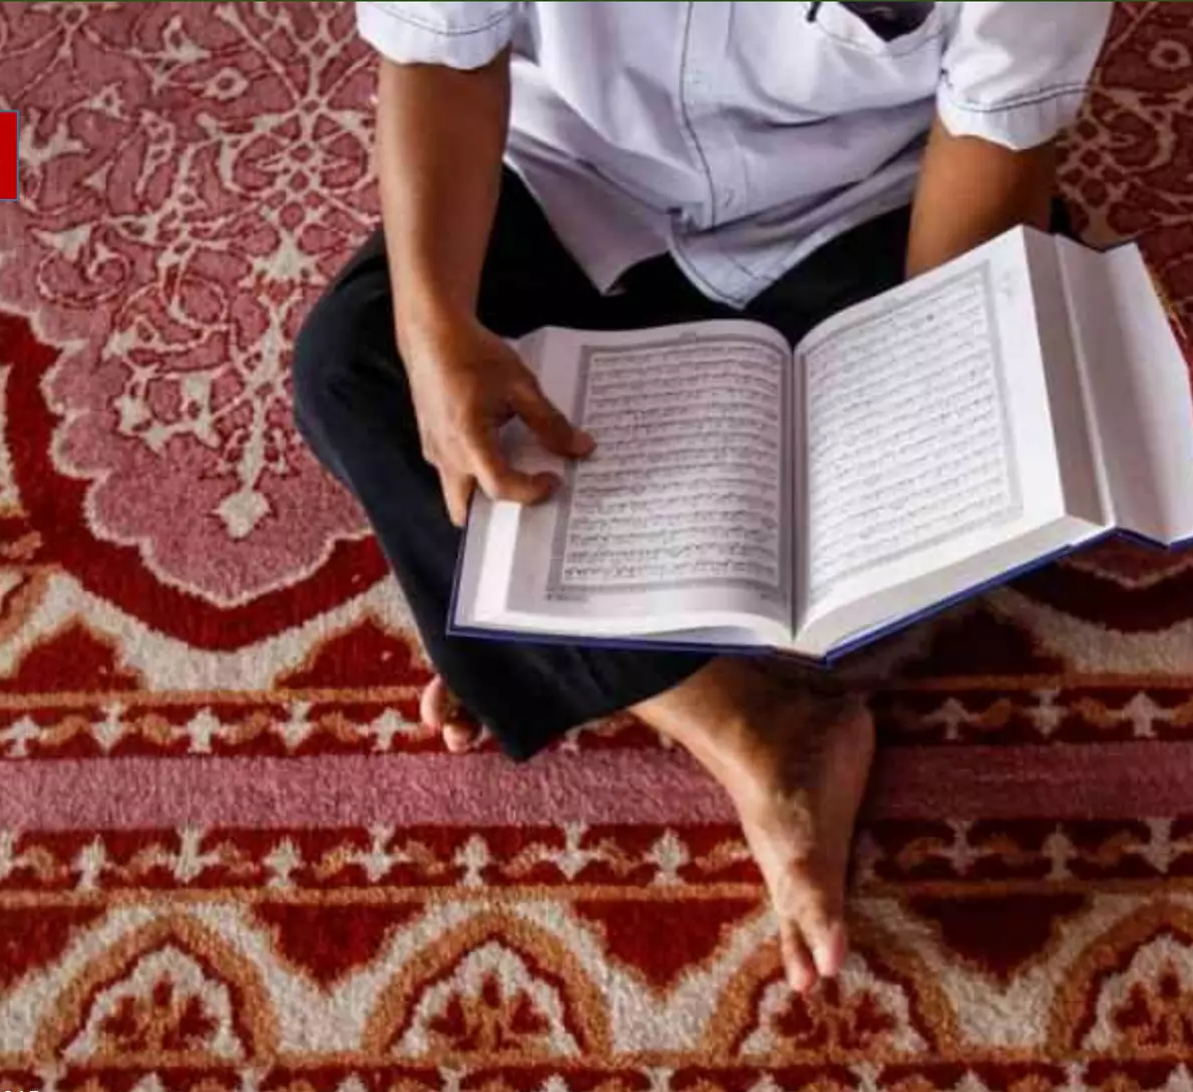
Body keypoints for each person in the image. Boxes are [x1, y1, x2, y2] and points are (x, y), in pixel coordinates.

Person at [291, 1, 1112, 994]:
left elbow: (989, 140)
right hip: (573, 177)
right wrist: (435, 331)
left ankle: (544, 631)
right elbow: (438, 54)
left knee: (1006, 429)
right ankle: (743, 720)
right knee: (357, 370)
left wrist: (923, 443)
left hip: (861, 204)